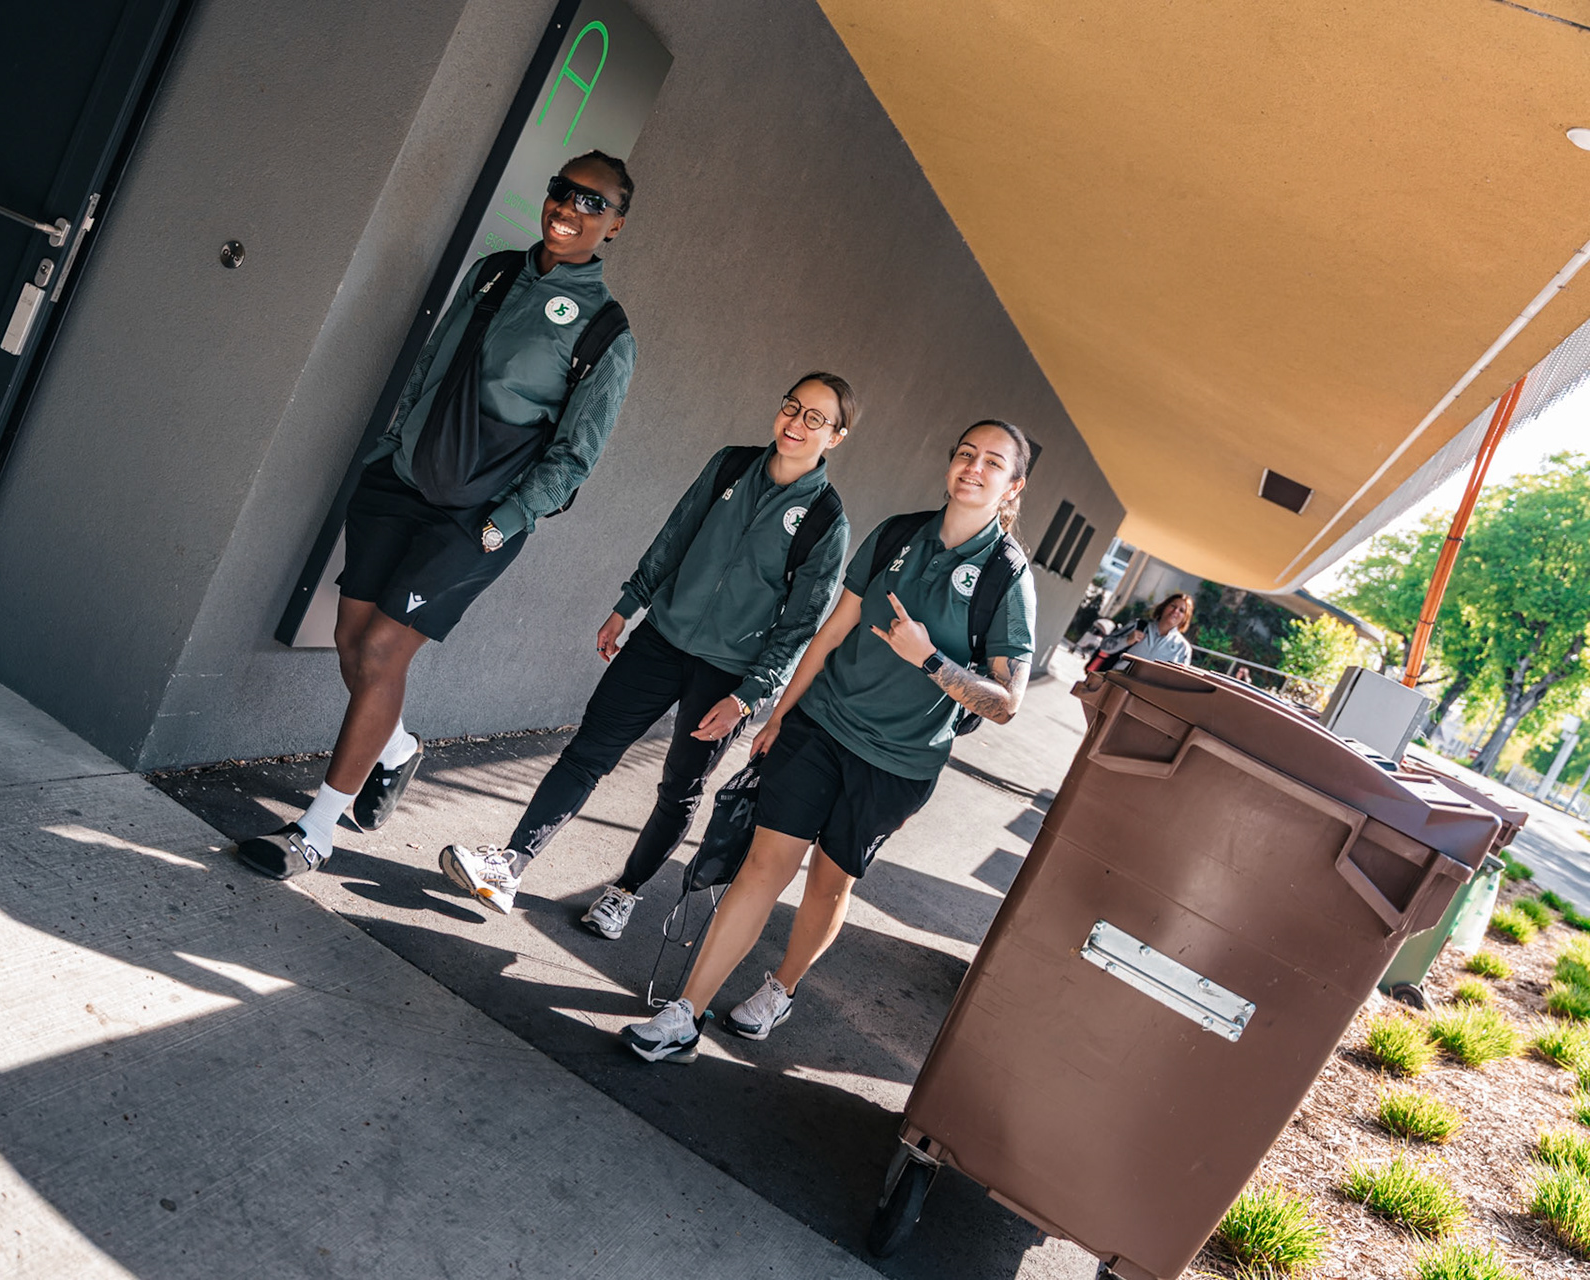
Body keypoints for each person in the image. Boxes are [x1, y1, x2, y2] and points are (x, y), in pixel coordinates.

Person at [237, 152, 638, 879]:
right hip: (400, 481)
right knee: (351, 640)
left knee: (384, 653)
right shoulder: (492, 271)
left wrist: (506, 520)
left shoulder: (605, 332)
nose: (568, 207)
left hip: (476, 517)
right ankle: (395, 749)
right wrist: (389, 446)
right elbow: (430, 363)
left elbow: (577, 455)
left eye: (590, 201)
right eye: (561, 190)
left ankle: (316, 833)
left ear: (613, 224)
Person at [620, 420, 1039, 1063]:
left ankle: (782, 987)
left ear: (1013, 486)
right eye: (965, 453)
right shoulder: (898, 534)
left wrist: (930, 661)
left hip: (896, 762)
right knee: (764, 865)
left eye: (993, 462)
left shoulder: (1007, 578)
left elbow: (1007, 703)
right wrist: (781, 715)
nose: (973, 468)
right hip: (820, 725)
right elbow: (832, 630)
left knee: (827, 885)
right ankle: (684, 1014)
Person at [436, 374, 857, 928]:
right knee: (588, 753)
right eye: (791, 408)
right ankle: (511, 864)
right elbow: (676, 535)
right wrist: (629, 602)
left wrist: (750, 696)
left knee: (680, 788)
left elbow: (801, 623)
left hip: (728, 676)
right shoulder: (730, 465)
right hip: (660, 639)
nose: (796, 423)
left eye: (814, 419)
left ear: (836, 436)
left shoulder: (827, 521)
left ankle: (625, 893)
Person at [1091, 592, 1194, 668]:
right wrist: (1126, 641)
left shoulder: (1182, 648)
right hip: (1117, 685)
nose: (1175, 611)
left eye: (1181, 610)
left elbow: (1179, 680)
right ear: (1164, 607)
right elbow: (1104, 646)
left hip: (1146, 695)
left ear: (1185, 618)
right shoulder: (1138, 626)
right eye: (1173, 606)